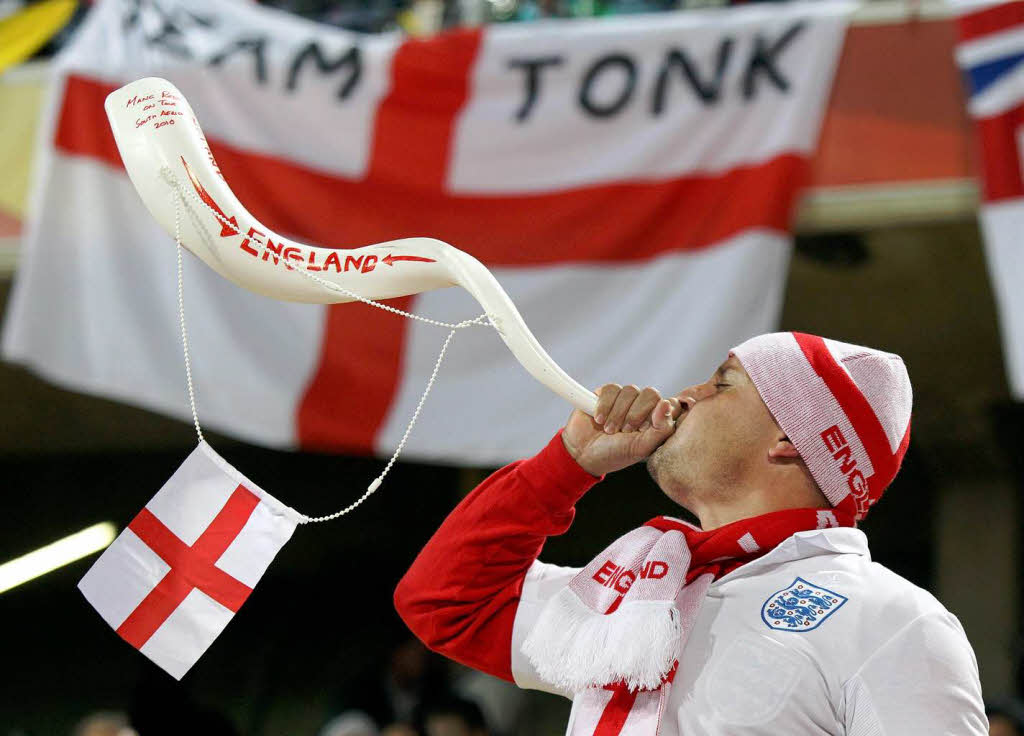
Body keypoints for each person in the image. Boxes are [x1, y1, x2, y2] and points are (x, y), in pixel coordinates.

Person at [394, 331, 987, 734]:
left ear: (791, 439)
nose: (686, 395)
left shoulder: (892, 621)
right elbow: (446, 602)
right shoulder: (633, 592)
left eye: (722, 383)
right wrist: (567, 463)